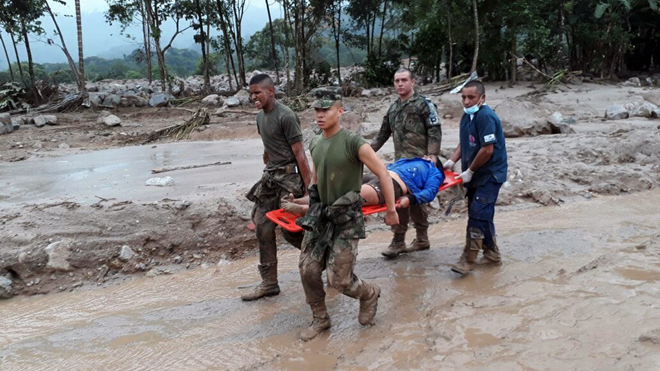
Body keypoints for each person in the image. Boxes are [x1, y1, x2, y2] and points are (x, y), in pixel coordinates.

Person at [296, 87, 399, 341]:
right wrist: (309, 204)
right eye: (317, 110)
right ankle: (320, 319)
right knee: (307, 269)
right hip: (322, 216)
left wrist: (391, 210)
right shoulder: (316, 142)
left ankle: (368, 293)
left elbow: (383, 174)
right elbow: (318, 177)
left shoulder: (354, 143)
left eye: (326, 110)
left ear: (340, 112)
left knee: (340, 280)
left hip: (346, 219)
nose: (320, 115)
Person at [243, 74, 312, 301]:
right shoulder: (259, 118)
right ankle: (269, 283)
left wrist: (308, 190)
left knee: (289, 230)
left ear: (270, 91)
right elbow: (267, 143)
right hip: (271, 178)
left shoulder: (287, 116)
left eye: (257, 93)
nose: (253, 97)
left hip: (290, 179)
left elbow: (300, 154)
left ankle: (323, 258)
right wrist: (267, 157)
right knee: (262, 226)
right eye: (251, 93)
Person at [370, 67, 443, 258]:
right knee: (397, 201)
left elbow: (435, 131)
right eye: (396, 81)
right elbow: (382, 135)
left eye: (404, 80)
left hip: (420, 164)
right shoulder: (393, 108)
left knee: (416, 202)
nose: (400, 84)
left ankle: (421, 238)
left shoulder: (423, 105)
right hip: (400, 165)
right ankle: (399, 240)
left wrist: (433, 155)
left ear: (412, 82)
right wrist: (366, 153)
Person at [443, 81, 508, 275]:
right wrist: (452, 161)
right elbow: (466, 142)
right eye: (463, 97)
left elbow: (487, 149)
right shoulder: (467, 116)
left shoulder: (486, 117)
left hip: (490, 174)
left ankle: (467, 259)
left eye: (471, 97)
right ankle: (492, 254)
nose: (466, 101)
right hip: (475, 174)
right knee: (481, 213)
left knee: (477, 214)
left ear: (482, 98)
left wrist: (469, 170)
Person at [282, 157, 445, 218]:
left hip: (391, 185)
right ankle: (300, 200)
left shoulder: (433, 171)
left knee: (350, 196)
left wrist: (410, 199)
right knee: (337, 186)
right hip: (378, 175)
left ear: (435, 163)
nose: (426, 156)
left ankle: (305, 209)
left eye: (430, 157)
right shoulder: (409, 160)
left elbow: (430, 192)